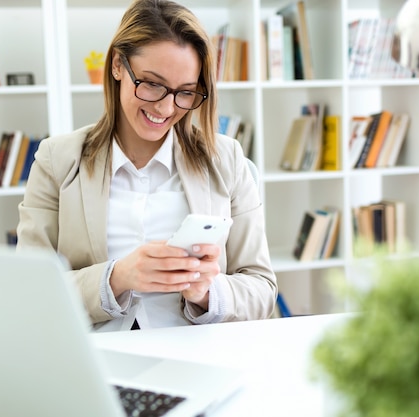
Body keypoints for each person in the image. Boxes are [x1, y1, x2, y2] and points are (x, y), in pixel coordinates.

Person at [16, 0, 277, 331]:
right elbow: (29, 293)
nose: (166, 108)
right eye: (152, 83)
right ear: (117, 66)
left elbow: (262, 288)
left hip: (195, 354)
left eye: (185, 92)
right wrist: (117, 277)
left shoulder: (226, 160)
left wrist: (207, 292)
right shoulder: (57, 161)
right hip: (99, 358)